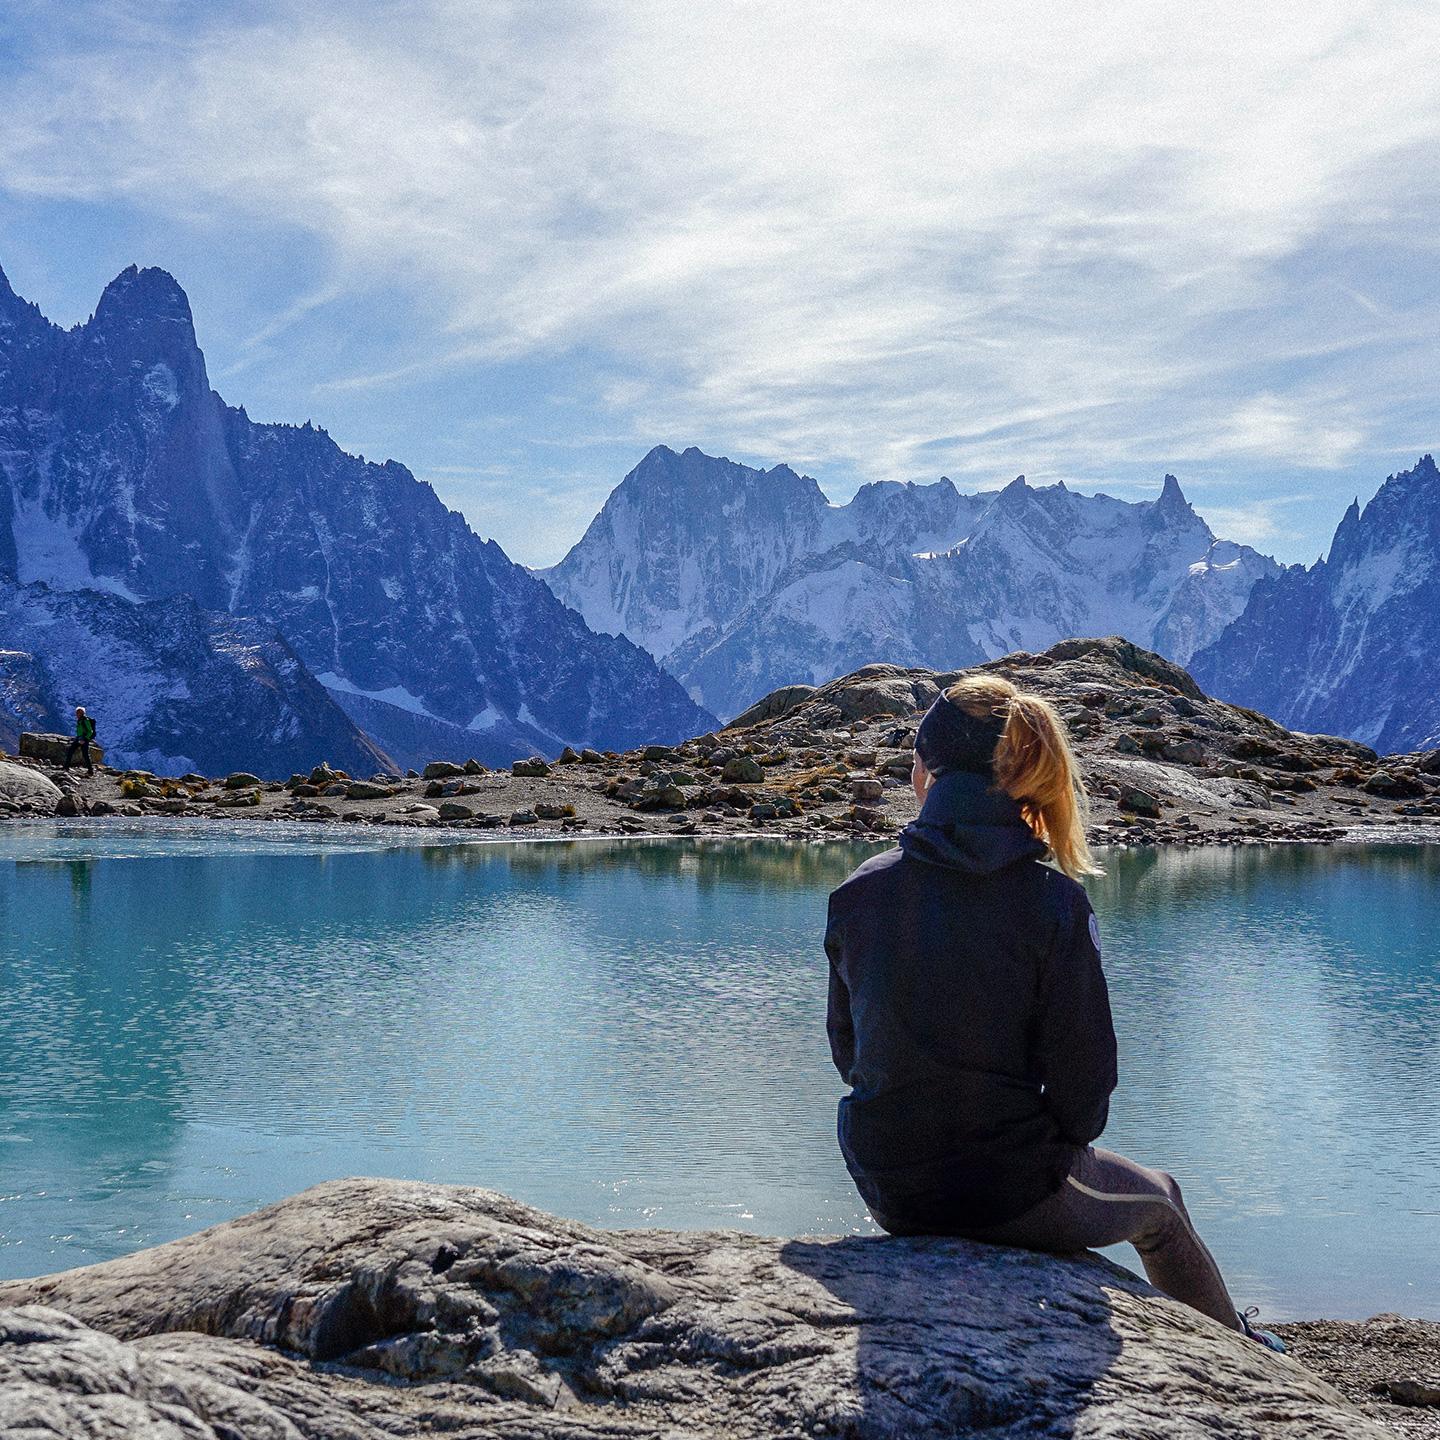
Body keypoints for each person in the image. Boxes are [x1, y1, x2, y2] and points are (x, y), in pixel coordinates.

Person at [824, 673, 1284, 1351]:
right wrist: (1052, 1150)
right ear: (1024, 777)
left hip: (885, 1180)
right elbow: (1084, 1091)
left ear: (925, 772)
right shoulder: (1053, 905)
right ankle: (1241, 1355)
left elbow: (848, 1054)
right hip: (1006, 1188)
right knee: (1161, 1204)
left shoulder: (857, 892)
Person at [64, 706, 97, 775]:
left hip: (83, 739)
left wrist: (85, 739)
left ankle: (90, 771)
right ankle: (66, 767)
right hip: (79, 738)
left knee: (85, 755)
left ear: (82, 713)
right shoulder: (80, 720)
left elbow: (90, 731)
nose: (76, 714)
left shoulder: (85, 720)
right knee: (71, 751)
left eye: (78, 712)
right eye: (76, 712)